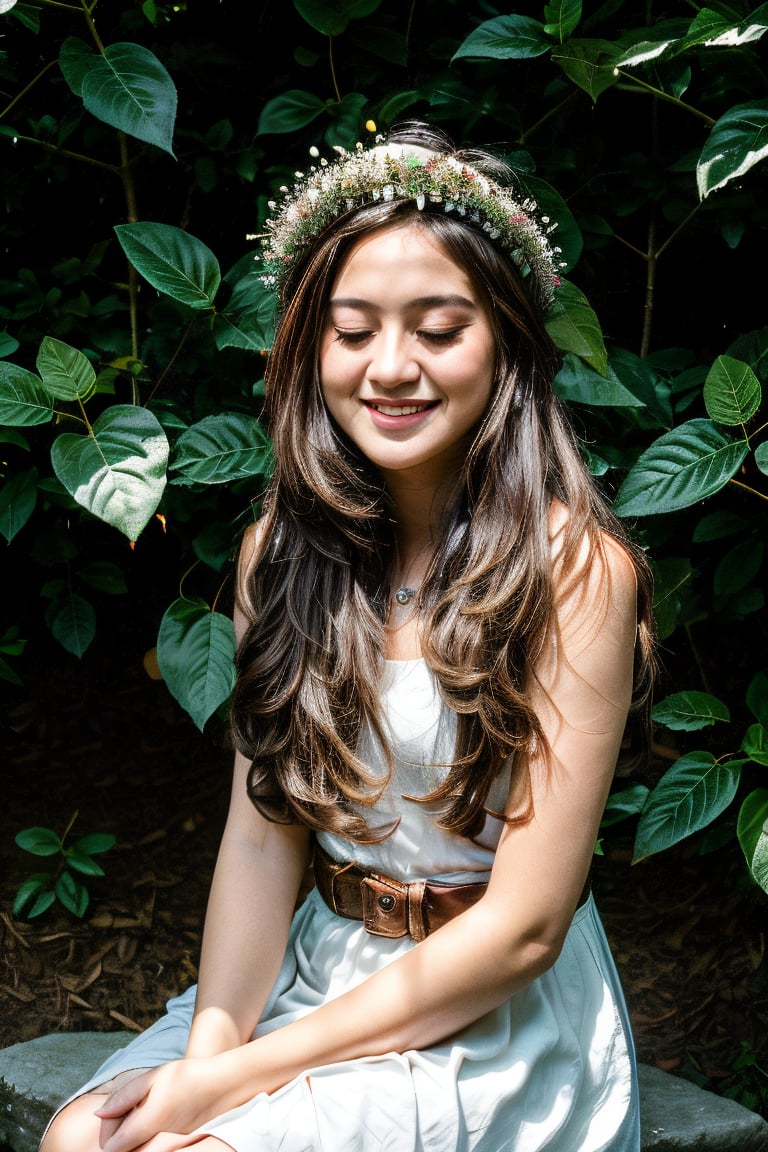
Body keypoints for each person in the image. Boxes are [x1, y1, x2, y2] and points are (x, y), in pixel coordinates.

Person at [39, 119, 655, 1152]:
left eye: (439, 327)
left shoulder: (577, 572)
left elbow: (527, 930)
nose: (391, 366)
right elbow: (258, 835)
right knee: (80, 1140)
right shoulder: (277, 551)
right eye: (353, 327)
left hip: (484, 1013)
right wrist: (207, 1059)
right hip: (309, 966)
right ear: (306, 346)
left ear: (504, 340)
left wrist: (243, 1081)